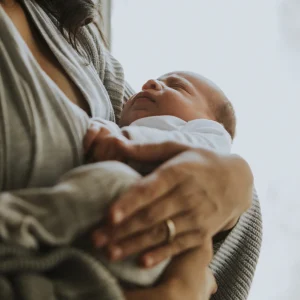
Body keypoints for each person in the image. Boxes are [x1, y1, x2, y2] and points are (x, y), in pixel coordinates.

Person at [0, 1, 262, 300]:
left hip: (139, 230)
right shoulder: (130, 119)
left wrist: (236, 180)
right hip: (105, 246)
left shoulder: (76, 36)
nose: (150, 84)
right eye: (157, 81)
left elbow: (223, 172)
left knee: (108, 183)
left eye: (176, 86)